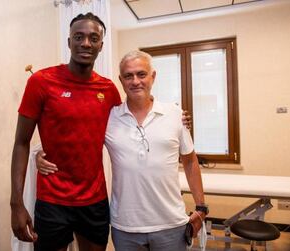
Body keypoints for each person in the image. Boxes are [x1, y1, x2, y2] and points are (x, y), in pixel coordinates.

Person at [37, 50, 206, 251]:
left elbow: (190, 161)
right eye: (128, 76)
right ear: (121, 80)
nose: (135, 81)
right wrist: (41, 154)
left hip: (171, 224)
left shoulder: (175, 114)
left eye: (141, 74)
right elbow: (77, 140)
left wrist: (201, 207)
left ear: (153, 76)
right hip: (125, 227)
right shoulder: (110, 117)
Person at [10, 13, 121, 251]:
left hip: (94, 199)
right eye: (78, 37)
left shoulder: (109, 90)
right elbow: (21, 142)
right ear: (69, 42)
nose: (86, 43)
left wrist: (174, 116)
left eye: (94, 38)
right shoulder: (41, 82)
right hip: (52, 200)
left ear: (101, 45)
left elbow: (129, 126)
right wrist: (16, 204)